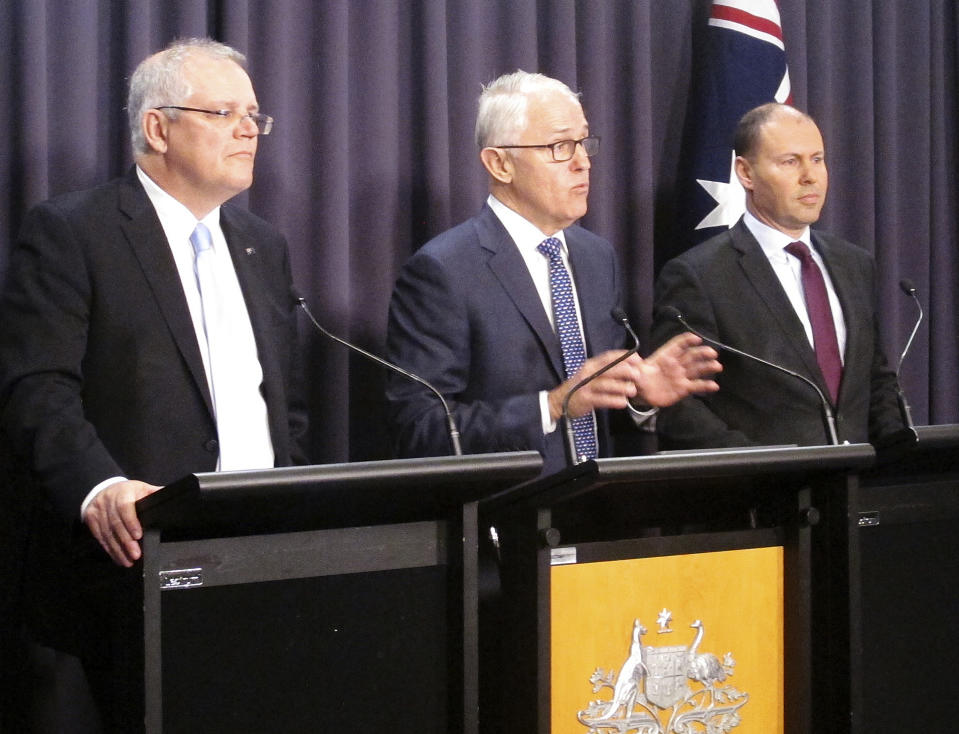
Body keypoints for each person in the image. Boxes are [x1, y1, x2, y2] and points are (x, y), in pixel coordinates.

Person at [0, 38, 307, 731]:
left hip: (257, 565)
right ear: (157, 128)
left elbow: (283, 408)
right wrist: (100, 487)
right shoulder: (73, 232)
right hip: (128, 568)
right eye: (224, 111)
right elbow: (36, 386)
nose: (246, 130)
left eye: (254, 115)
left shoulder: (264, 246)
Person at [386, 71, 719, 473]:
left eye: (583, 143)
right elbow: (422, 431)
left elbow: (600, 403)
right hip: (510, 515)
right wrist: (554, 405)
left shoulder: (597, 258)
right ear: (500, 164)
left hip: (601, 511)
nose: (582, 162)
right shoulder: (443, 271)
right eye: (561, 146)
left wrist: (639, 396)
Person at [650, 103, 908, 449]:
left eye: (817, 159)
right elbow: (680, 402)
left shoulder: (855, 264)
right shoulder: (699, 276)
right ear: (746, 173)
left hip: (858, 488)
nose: (810, 176)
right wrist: (759, 467)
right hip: (760, 492)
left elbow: (874, 376)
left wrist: (896, 452)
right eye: (790, 161)